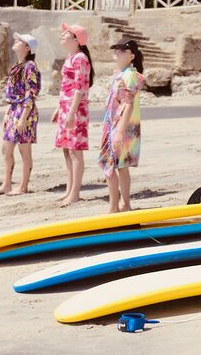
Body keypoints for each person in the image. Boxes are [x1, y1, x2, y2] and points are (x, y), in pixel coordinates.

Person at [98, 38, 145, 213]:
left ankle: (114, 206)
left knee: (111, 165)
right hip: (115, 124)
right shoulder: (122, 74)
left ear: (132, 55)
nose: (117, 52)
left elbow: (129, 104)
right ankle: (123, 204)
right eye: (116, 49)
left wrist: (119, 131)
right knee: (120, 166)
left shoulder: (129, 76)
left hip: (120, 126)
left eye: (122, 50)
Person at [52, 23, 95, 205]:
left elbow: (80, 87)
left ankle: (75, 192)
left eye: (67, 34)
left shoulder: (80, 58)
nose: (63, 35)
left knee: (76, 151)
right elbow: (67, 87)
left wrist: (71, 112)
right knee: (66, 149)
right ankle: (70, 189)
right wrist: (59, 107)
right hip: (66, 106)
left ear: (76, 40)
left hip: (76, 108)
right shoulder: (71, 57)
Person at [0, 33, 41, 196]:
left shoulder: (30, 66)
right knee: (6, 148)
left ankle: (23, 186)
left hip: (25, 111)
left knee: (24, 150)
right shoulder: (18, 65)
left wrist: (23, 118)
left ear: (28, 48)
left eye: (20, 41)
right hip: (14, 109)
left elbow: (31, 93)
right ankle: (6, 184)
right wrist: (8, 111)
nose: (16, 41)